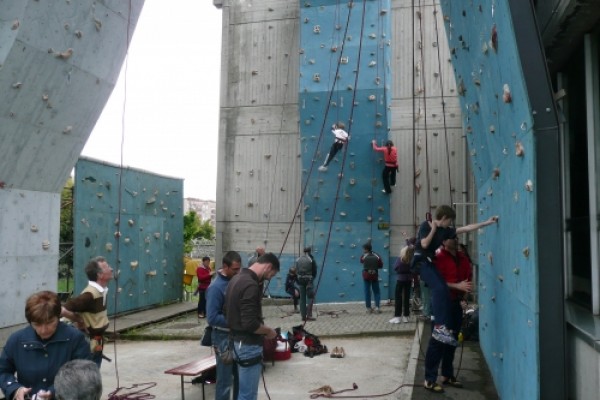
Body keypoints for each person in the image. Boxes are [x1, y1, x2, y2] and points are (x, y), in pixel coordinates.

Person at [412, 205, 497, 346]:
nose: (450, 225)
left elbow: (466, 228)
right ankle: (439, 327)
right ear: (444, 218)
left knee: (443, 289)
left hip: (429, 262)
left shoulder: (445, 231)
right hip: (420, 261)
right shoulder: (425, 226)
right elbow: (425, 244)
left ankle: (441, 326)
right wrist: (434, 228)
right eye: (449, 221)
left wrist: (486, 223)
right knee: (439, 288)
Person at [0, 291, 91, 400]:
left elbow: (83, 375)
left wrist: (54, 392)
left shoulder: (75, 339)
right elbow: (3, 371)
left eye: (50, 322)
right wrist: (15, 389)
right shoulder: (16, 340)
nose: (43, 330)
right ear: (30, 321)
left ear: (58, 317)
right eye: (37, 324)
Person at [224, 252, 280, 400]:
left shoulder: (236, 279)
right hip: (248, 346)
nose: (269, 279)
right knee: (248, 395)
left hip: (236, 342)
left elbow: (229, 312)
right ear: (268, 267)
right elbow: (250, 324)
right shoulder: (250, 284)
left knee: (242, 392)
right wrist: (269, 331)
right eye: (271, 275)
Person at [423, 231, 472, 393]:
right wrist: (457, 286)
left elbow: (468, 279)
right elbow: (435, 281)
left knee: (451, 341)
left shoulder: (463, 258)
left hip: (457, 304)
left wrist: (464, 297)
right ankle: (429, 379)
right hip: (441, 305)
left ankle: (447, 375)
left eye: (456, 237)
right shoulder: (437, 258)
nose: (456, 239)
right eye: (452, 237)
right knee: (438, 341)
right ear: (444, 242)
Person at [61, 256, 113, 367]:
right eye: (107, 267)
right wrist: (78, 319)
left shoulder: (101, 291)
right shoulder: (89, 295)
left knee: (93, 373)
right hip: (86, 344)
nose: (111, 269)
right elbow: (62, 310)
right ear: (100, 275)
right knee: (87, 376)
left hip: (96, 341)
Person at [206, 251, 242, 400]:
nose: (238, 272)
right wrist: (236, 321)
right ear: (225, 267)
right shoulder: (216, 288)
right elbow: (212, 317)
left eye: (239, 269)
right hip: (223, 338)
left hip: (238, 336)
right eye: (235, 269)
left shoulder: (235, 281)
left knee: (241, 377)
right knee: (225, 380)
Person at [390, 242, 414, 323]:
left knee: (398, 298)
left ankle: (397, 316)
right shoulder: (412, 259)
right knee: (407, 298)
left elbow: (395, 268)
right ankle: (406, 316)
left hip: (400, 279)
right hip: (409, 279)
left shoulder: (400, 259)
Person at [295, 246, 318, 321]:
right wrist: (312, 278)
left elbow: (296, 270)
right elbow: (314, 271)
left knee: (302, 298)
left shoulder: (298, 259)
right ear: (310, 251)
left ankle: (303, 316)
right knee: (310, 297)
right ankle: (309, 315)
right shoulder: (311, 259)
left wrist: (298, 279)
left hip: (300, 280)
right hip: (309, 280)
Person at [360, 243, 384, 314]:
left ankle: (368, 308)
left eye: (364, 249)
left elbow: (361, 261)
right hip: (374, 275)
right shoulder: (376, 255)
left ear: (366, 249)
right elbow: (381, 265)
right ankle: (377, 308)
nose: (363, 250)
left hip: (366, 275)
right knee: (376, 292)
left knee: (367, 292)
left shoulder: (364, 256)